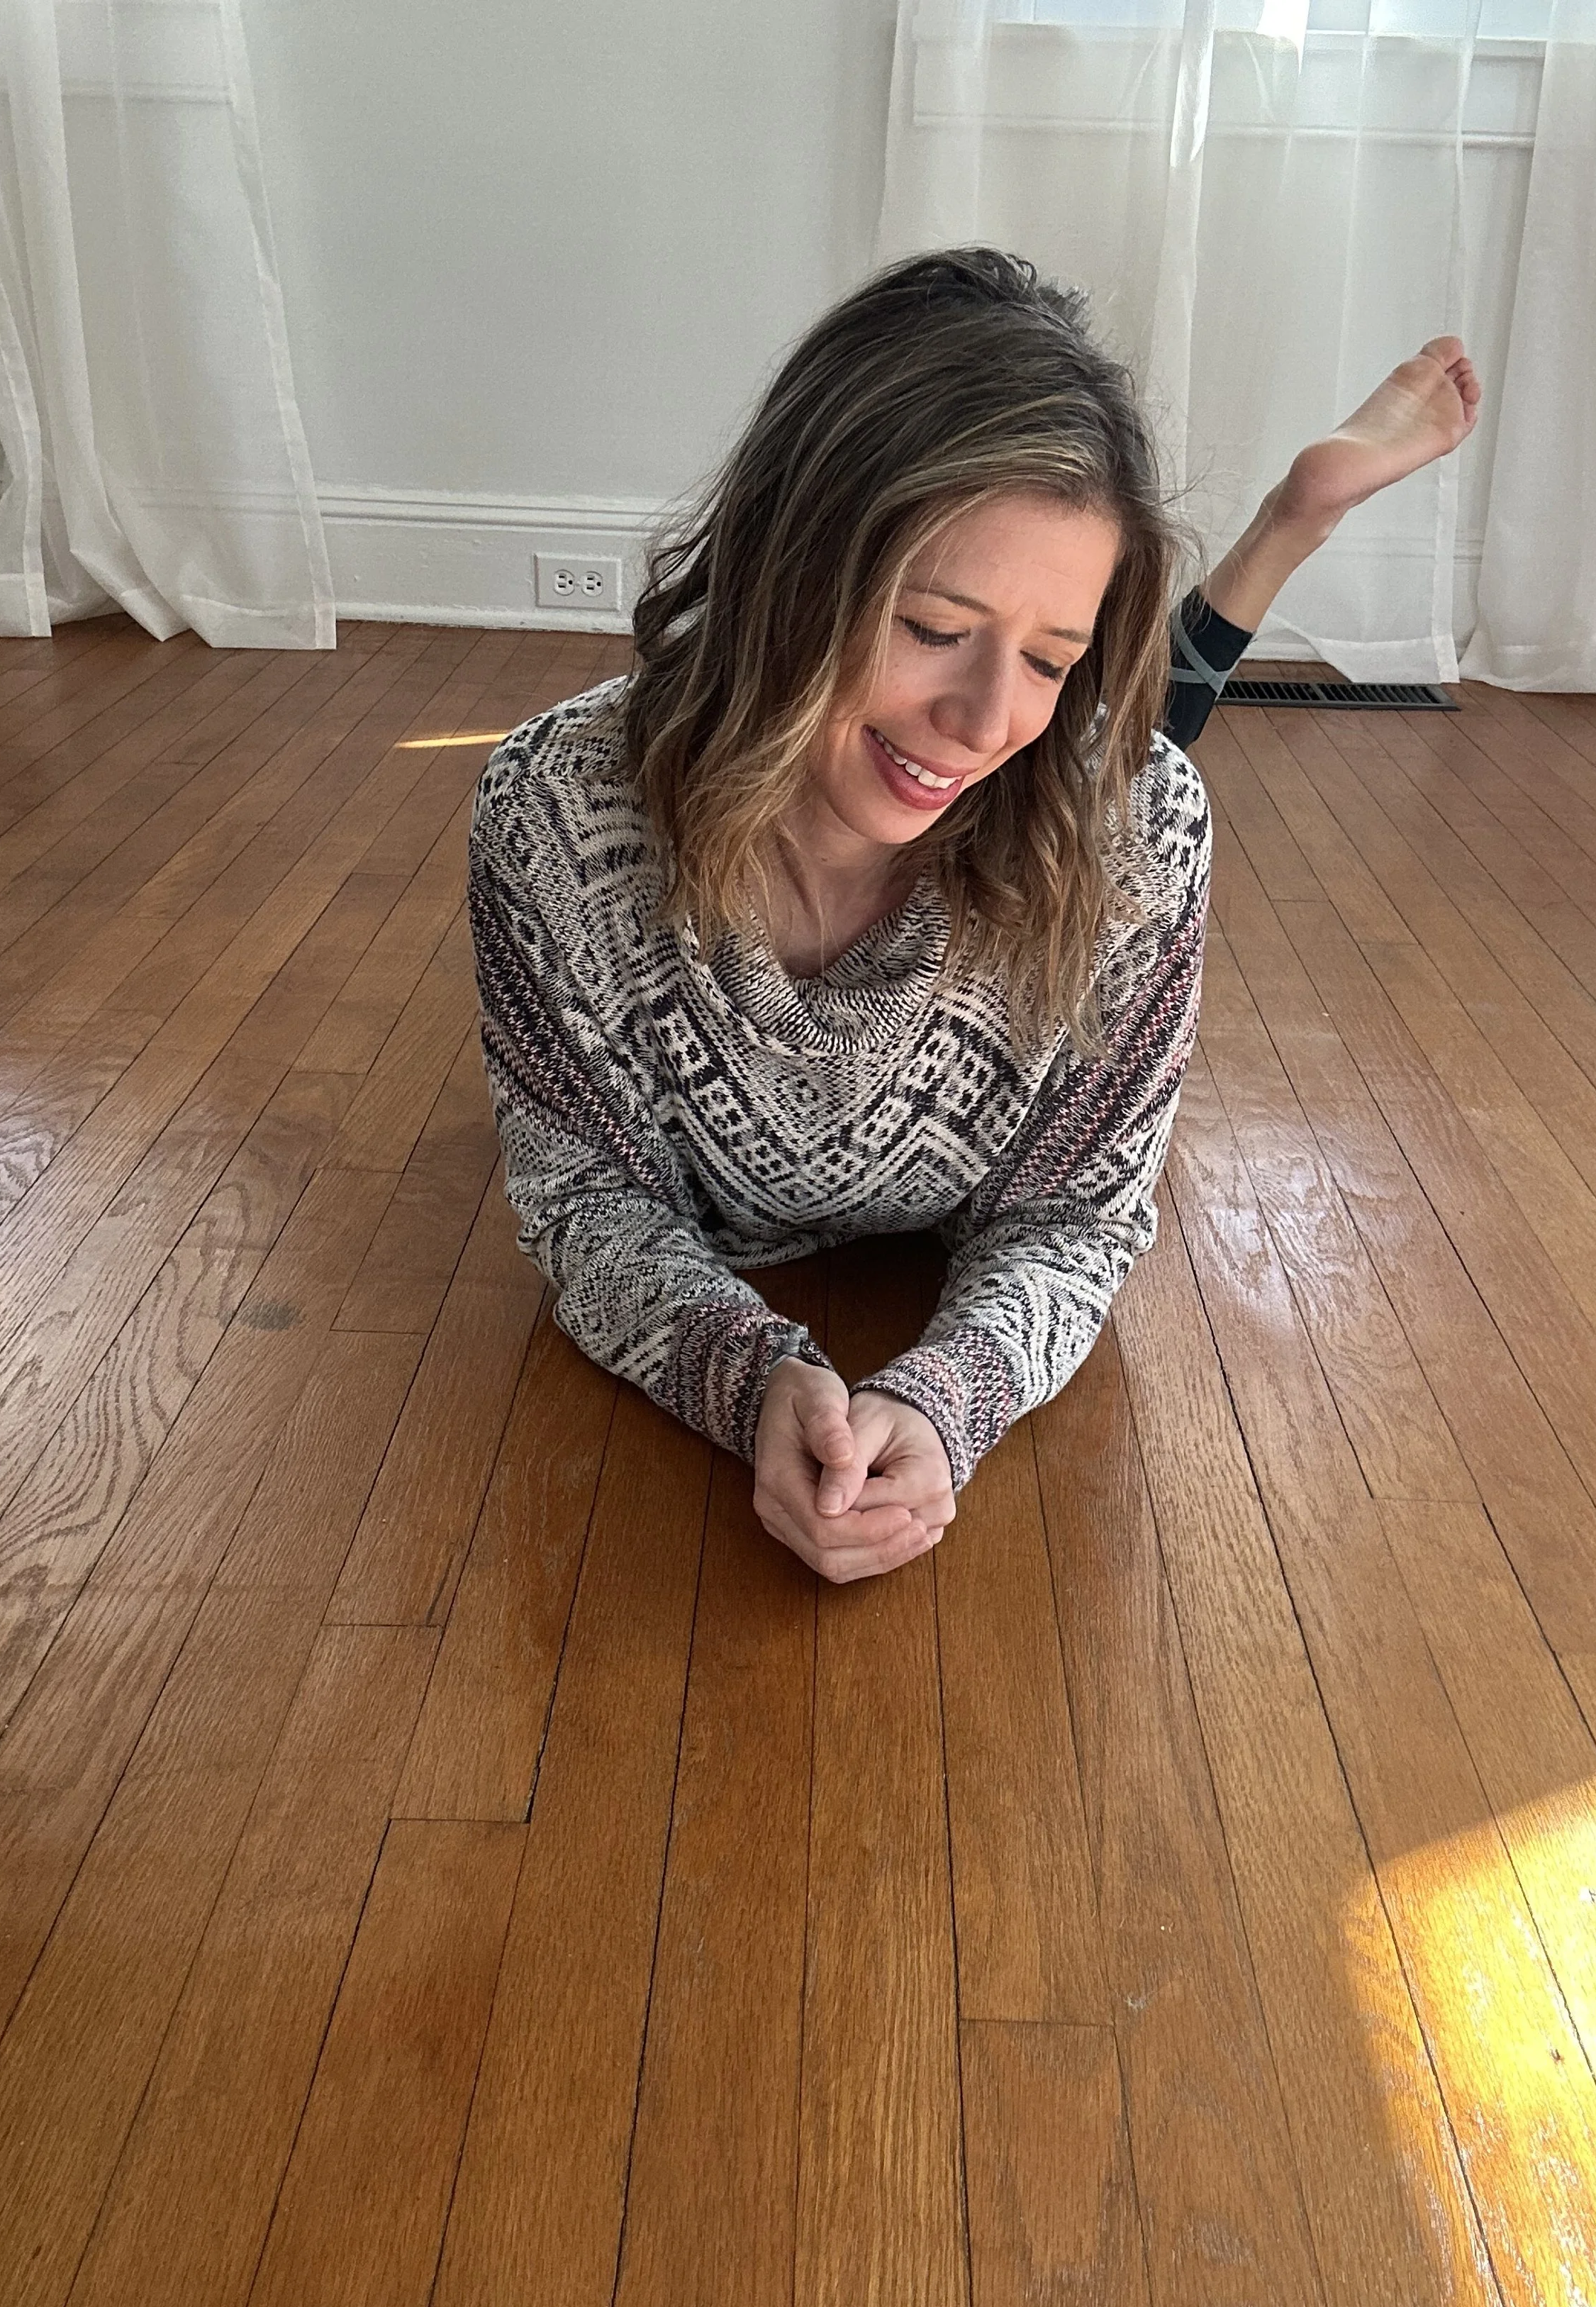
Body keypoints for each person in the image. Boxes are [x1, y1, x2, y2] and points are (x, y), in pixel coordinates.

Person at [469, 249, 1479, 1584]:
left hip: (1088, 839)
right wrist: (751, 1376)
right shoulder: (555, 816)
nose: (990, 716)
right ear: (789, 560)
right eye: (933, 624)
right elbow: (582, 1195)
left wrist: (949, 1400)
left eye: (1055, 658)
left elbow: (1084, 1215)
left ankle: (1279, 525)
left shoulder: (1134, 830)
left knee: (1122, 769)